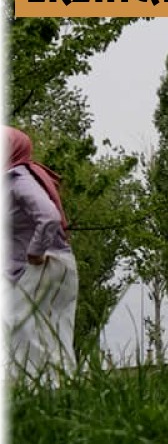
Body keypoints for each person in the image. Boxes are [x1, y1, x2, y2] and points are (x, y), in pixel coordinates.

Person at [6, 126, 77, 383]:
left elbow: (48, 216)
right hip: (58, 261)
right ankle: (63, 390)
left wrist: (35, 252)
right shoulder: (24, 177)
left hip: (44, 264)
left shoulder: (17, 179)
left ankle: (37, 390)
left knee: (21, 326)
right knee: (55, 330)